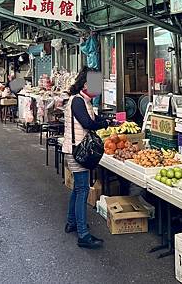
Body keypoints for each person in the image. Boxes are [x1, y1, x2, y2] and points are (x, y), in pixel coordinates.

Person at [62, 67, 109, 249]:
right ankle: (83, 234)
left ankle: (71, 222)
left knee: (77, 188)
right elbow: (88, 123)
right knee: (82, 190)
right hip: (77, 151)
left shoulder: (85, 101)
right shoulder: (78, 102)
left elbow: (94, 119)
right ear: (86, 83)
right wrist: (102, 123)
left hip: (77, 150)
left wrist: (105, 121)